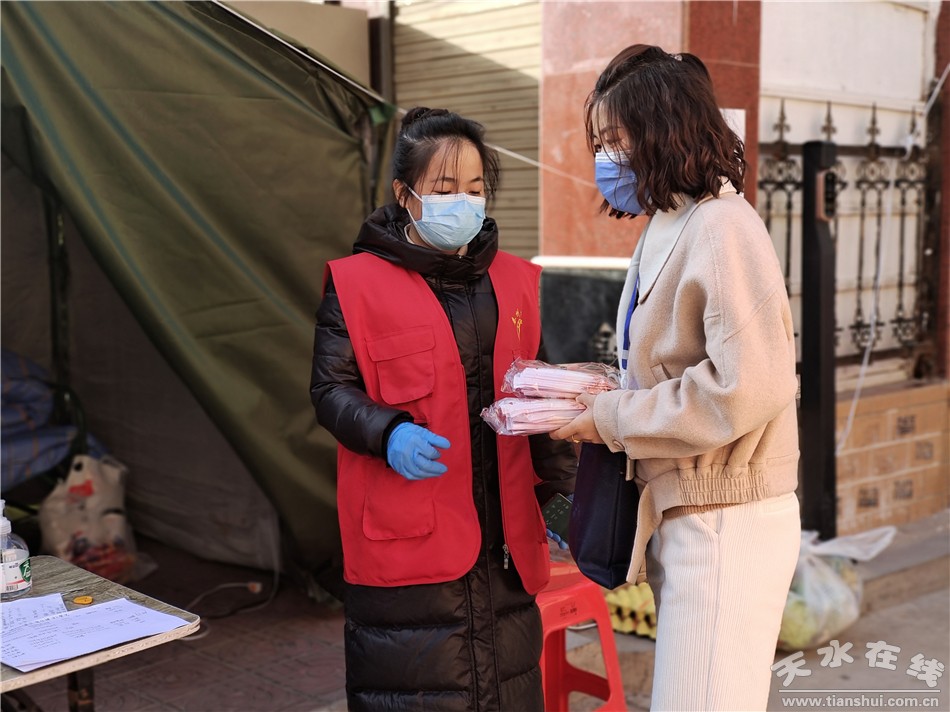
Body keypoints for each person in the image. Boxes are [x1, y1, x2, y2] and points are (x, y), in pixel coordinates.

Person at [552, 45, 801, 711]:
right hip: (691, 514)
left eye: (615, 138)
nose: (605, 157)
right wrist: (597, 391)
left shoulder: (721, 227)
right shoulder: (672, 222)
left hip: (727, 523)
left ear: (662, 130)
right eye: (599, 142)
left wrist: (608, 418)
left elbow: (748, 386)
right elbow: (673, 366)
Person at [310, 107, 576, 712]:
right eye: (445, 187)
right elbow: (330, 389)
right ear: (406, 194)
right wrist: (388, 433)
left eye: (476, 188)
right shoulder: (355, 284)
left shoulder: (515, 283)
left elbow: (538, 398)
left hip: (506, 546)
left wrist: (565, 497)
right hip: (410, 546)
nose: (464, 201)